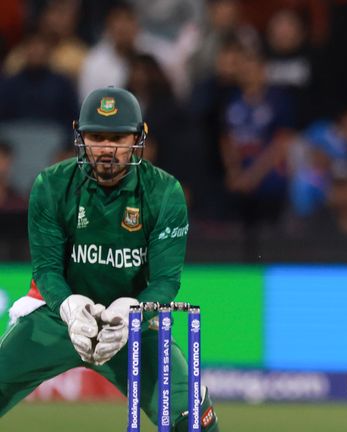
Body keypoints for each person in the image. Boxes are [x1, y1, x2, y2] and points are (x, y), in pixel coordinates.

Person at [0, 87, 220, 431]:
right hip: (56, 315)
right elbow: (46, 269)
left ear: (138, 137)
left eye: (118, 138)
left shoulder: (163, 192)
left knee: (193, 419)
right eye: (96, 136)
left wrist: (133, 311)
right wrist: (71, 308)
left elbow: (165, 281)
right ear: (80, 135)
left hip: (130, 323)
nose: (106, 149)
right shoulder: (52, 185)